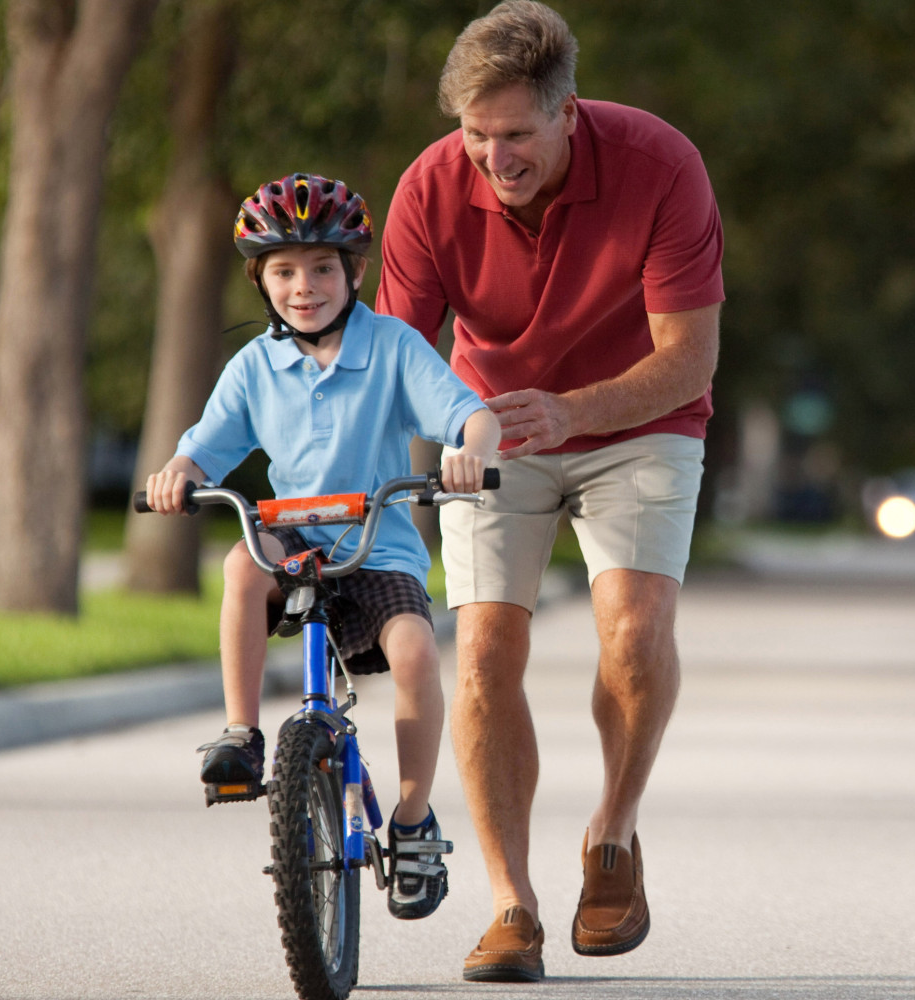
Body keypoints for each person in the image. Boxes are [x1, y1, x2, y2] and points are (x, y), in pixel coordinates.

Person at [374, 2, 724, 982]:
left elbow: (688, 361)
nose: (493, 157)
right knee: (483, 647)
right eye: (475, 134)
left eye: (515, 134)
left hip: (639, 420)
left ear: (570, 112)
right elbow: (394, 362)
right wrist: (378, 494)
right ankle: (511, 902)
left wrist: (571, 412)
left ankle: (611, 833)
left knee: (633, 629)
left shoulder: (659, 166)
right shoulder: (432, 188)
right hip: (490, 426)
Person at [144, 173, 500, 921]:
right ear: (260, 281)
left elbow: (469, 413)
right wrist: (179, 474)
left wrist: (468, 449)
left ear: (355, 272)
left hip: (377, 548)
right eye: (283, 271)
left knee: (415, 653)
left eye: (322, 268)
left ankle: (409, 822)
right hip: (296, 545)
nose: (303, 287)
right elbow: (203, 449)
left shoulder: (393, 347)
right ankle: (243, 733)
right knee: (243, 561)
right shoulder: (254, 368)